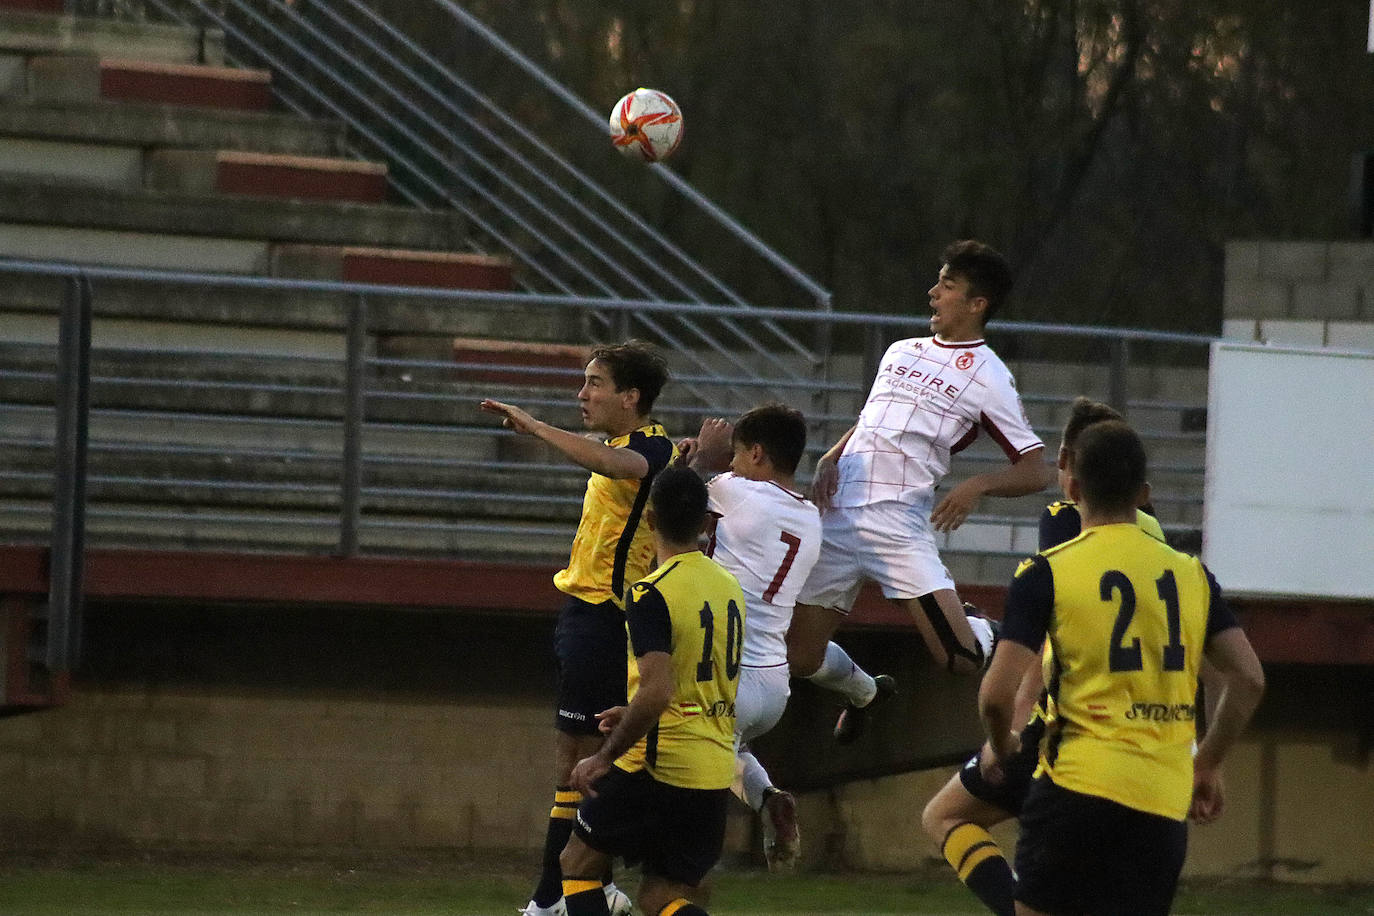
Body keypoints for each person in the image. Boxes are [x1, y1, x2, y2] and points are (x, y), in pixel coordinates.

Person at [979, 421, 1266, 916]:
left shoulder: (1047, 570)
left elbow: (995, 696)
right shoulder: (1191, 574)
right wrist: (1208, 762)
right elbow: (1249, 678)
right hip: (1160, 801)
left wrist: (1006, 749)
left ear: (1072, 487)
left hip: (1075, 787)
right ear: (1144, 494)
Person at [791, 239, 1053, 743]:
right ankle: (866, 691)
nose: (933, 293)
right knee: (800, 657)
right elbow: (876, 420)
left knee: (958, 659)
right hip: (839, 515)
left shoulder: (989, 376)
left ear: (977, 304)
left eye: (947, 286)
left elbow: (1036, 470)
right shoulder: (901, 350)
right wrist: (833, 454)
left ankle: (984, 628)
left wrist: (976, 486)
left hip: (898, 524)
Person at [921, 397, 1167, 916]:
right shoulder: (1155, 535)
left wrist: (1008, 731)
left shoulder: (1064, 520)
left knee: (945, 817)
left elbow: (1043, 645)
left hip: (1069, 730)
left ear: (1070, 465)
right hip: (1148, 740)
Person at [482, 339, 673, 916]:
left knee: (580, 766)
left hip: (607, 622)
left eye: (595, 383)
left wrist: (536, 427)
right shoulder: (628, 445)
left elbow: (623, 466)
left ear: (630, 396)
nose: (583, 393)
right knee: (581, 765)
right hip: (585, 618)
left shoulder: (648, 446)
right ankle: (590, 885)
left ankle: (553, 898)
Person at [558, 466, 745, 916]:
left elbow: (659, 691)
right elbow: (697, 678)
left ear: (650, 521)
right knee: (661, 898)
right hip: (714, 767)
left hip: (660, 765)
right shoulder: (728, 585)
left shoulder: (650, 592)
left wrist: (603, 757)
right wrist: (633, 708)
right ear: (706, 522)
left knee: (577, 866)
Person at [677, 404, 821, 871]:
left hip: (724, 671)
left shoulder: (735, 492)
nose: (732, 462)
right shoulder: (810, 516)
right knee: (731, 747)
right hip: (774, 684)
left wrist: (701, 458)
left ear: (757, 453)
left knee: (661, 750)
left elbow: (667, 498)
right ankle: (767, 799)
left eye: (738, 454)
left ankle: (667, 865)